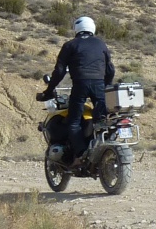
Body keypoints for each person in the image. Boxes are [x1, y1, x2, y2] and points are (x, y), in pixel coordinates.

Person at [39, 16, 115, 166]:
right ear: (92, 28)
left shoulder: (70, 45)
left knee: (73, 122)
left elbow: (59, 71)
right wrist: (106, 86)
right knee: (102, 119)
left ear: (76, 28)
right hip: (99, 85)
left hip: (80, 85)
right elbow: (110, 69)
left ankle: (80, 155)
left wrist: (49, 90)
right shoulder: (101, 44)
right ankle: (103, 147)